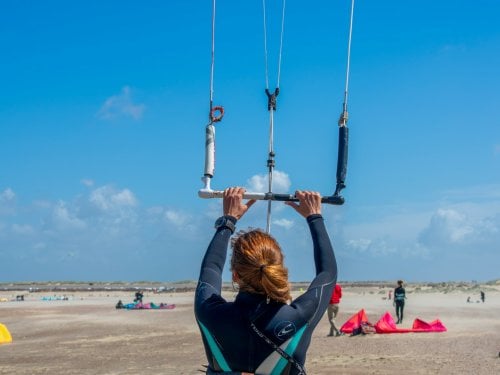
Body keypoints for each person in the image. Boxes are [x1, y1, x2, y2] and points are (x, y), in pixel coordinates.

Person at [195, 187, 337, 375]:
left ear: (235, 275)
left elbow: (211, 269)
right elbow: (328, 272)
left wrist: (228, 220)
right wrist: (314, 216)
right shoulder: (299, 316)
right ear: (278, 270)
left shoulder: (210, 312)